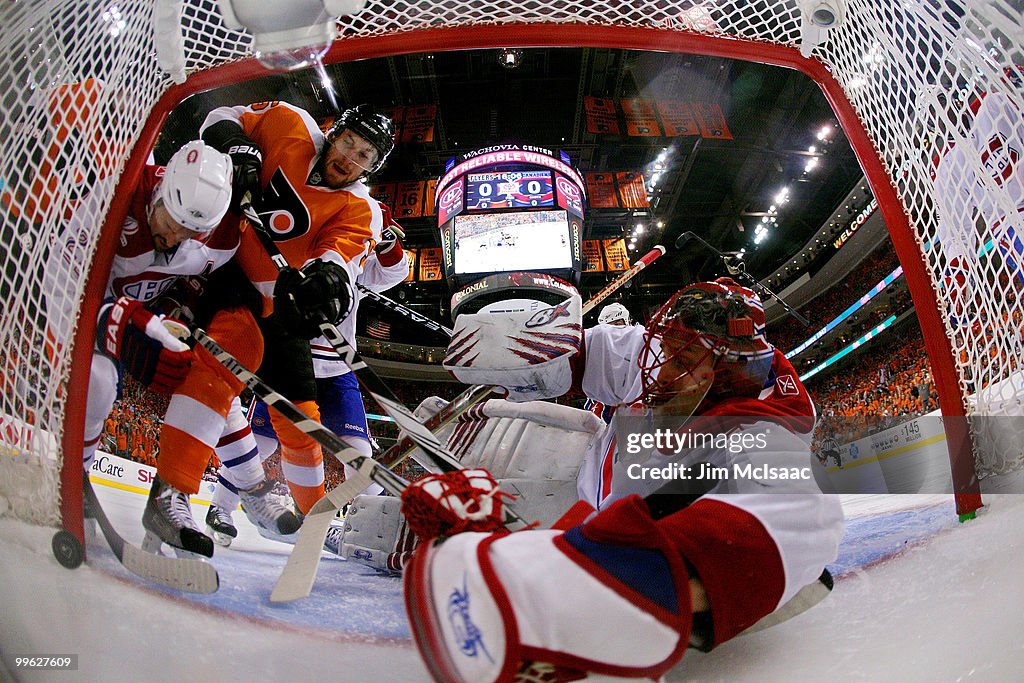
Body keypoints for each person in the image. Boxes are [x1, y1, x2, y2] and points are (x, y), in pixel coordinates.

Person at [401, 278, 844, 681]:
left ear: (729, 373)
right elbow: (578, 359)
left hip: (634, 546)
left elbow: (802, 515)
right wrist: (515, 352)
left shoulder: (762, 432)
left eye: (682, 359)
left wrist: (606, 589)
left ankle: (636, 602)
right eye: (664, 348)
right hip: (598, 518)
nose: (658, 366)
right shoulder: (665, 354)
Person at [64, 140, 269, 559]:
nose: (174, 238)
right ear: (158, 194)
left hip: (140, 314)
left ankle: (188, 494)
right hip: (73, 307)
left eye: (190, 232)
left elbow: (195, 277)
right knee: (98, 381)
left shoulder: (220, 238)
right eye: (171, 221)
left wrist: (183, 307)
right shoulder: (110, 196)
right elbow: (61, 289)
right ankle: (71, 477)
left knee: (213, 380)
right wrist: (117, 321)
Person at [200, 101, 400, 517]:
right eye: (348, 143)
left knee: (338, 446)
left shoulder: (361, 211)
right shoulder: (288, 123)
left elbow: (353, 264)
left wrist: (327, 277)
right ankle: (220, 505)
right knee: (247, 419)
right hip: (237, 287)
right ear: (335, 133)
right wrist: (235, 144)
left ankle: (347, 522)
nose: (350, 158)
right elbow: (219, 118)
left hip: (313, 347)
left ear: (372, 168)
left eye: (364, 155)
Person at [205, 219, 409, 545]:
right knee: (262, 445)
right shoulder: (290, 249)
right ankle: (220, 509)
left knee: (357, 454)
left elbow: (394, 274)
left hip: (338, 372)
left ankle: (376, 528)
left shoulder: (349, 254)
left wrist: (386, 242)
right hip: (289, 363)